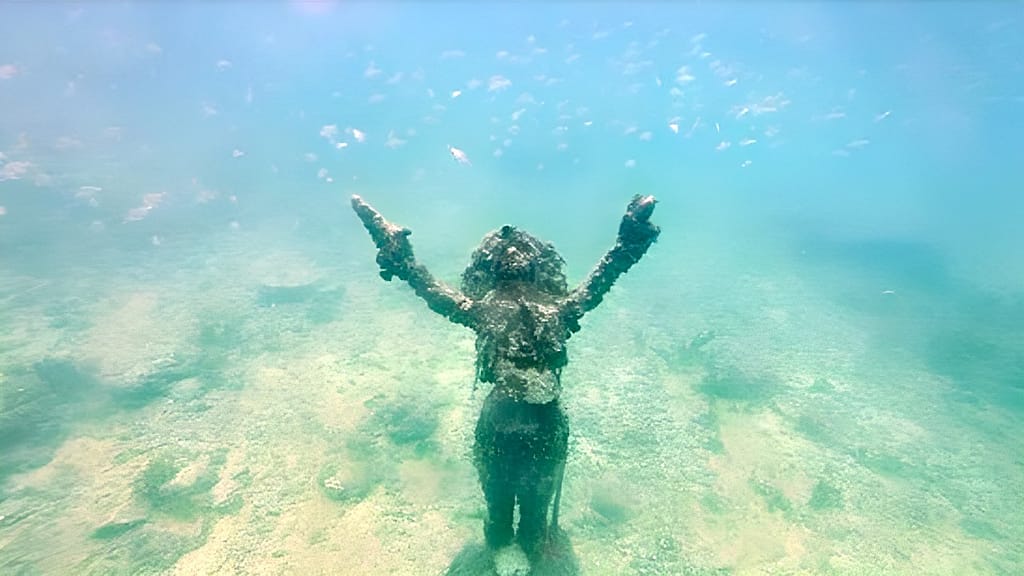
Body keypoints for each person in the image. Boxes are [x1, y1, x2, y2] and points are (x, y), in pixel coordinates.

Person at [351, 194, 660, 563]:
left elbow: (429, 289)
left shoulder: (487, 311)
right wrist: (629, 242)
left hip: (508, 425)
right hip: (538, 426)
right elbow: (603, 277)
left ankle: (507, 546)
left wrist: (398, 254)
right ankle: (515, 546)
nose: (514, 258)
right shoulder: (553, 311)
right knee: (515, 519)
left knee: (512, 518)